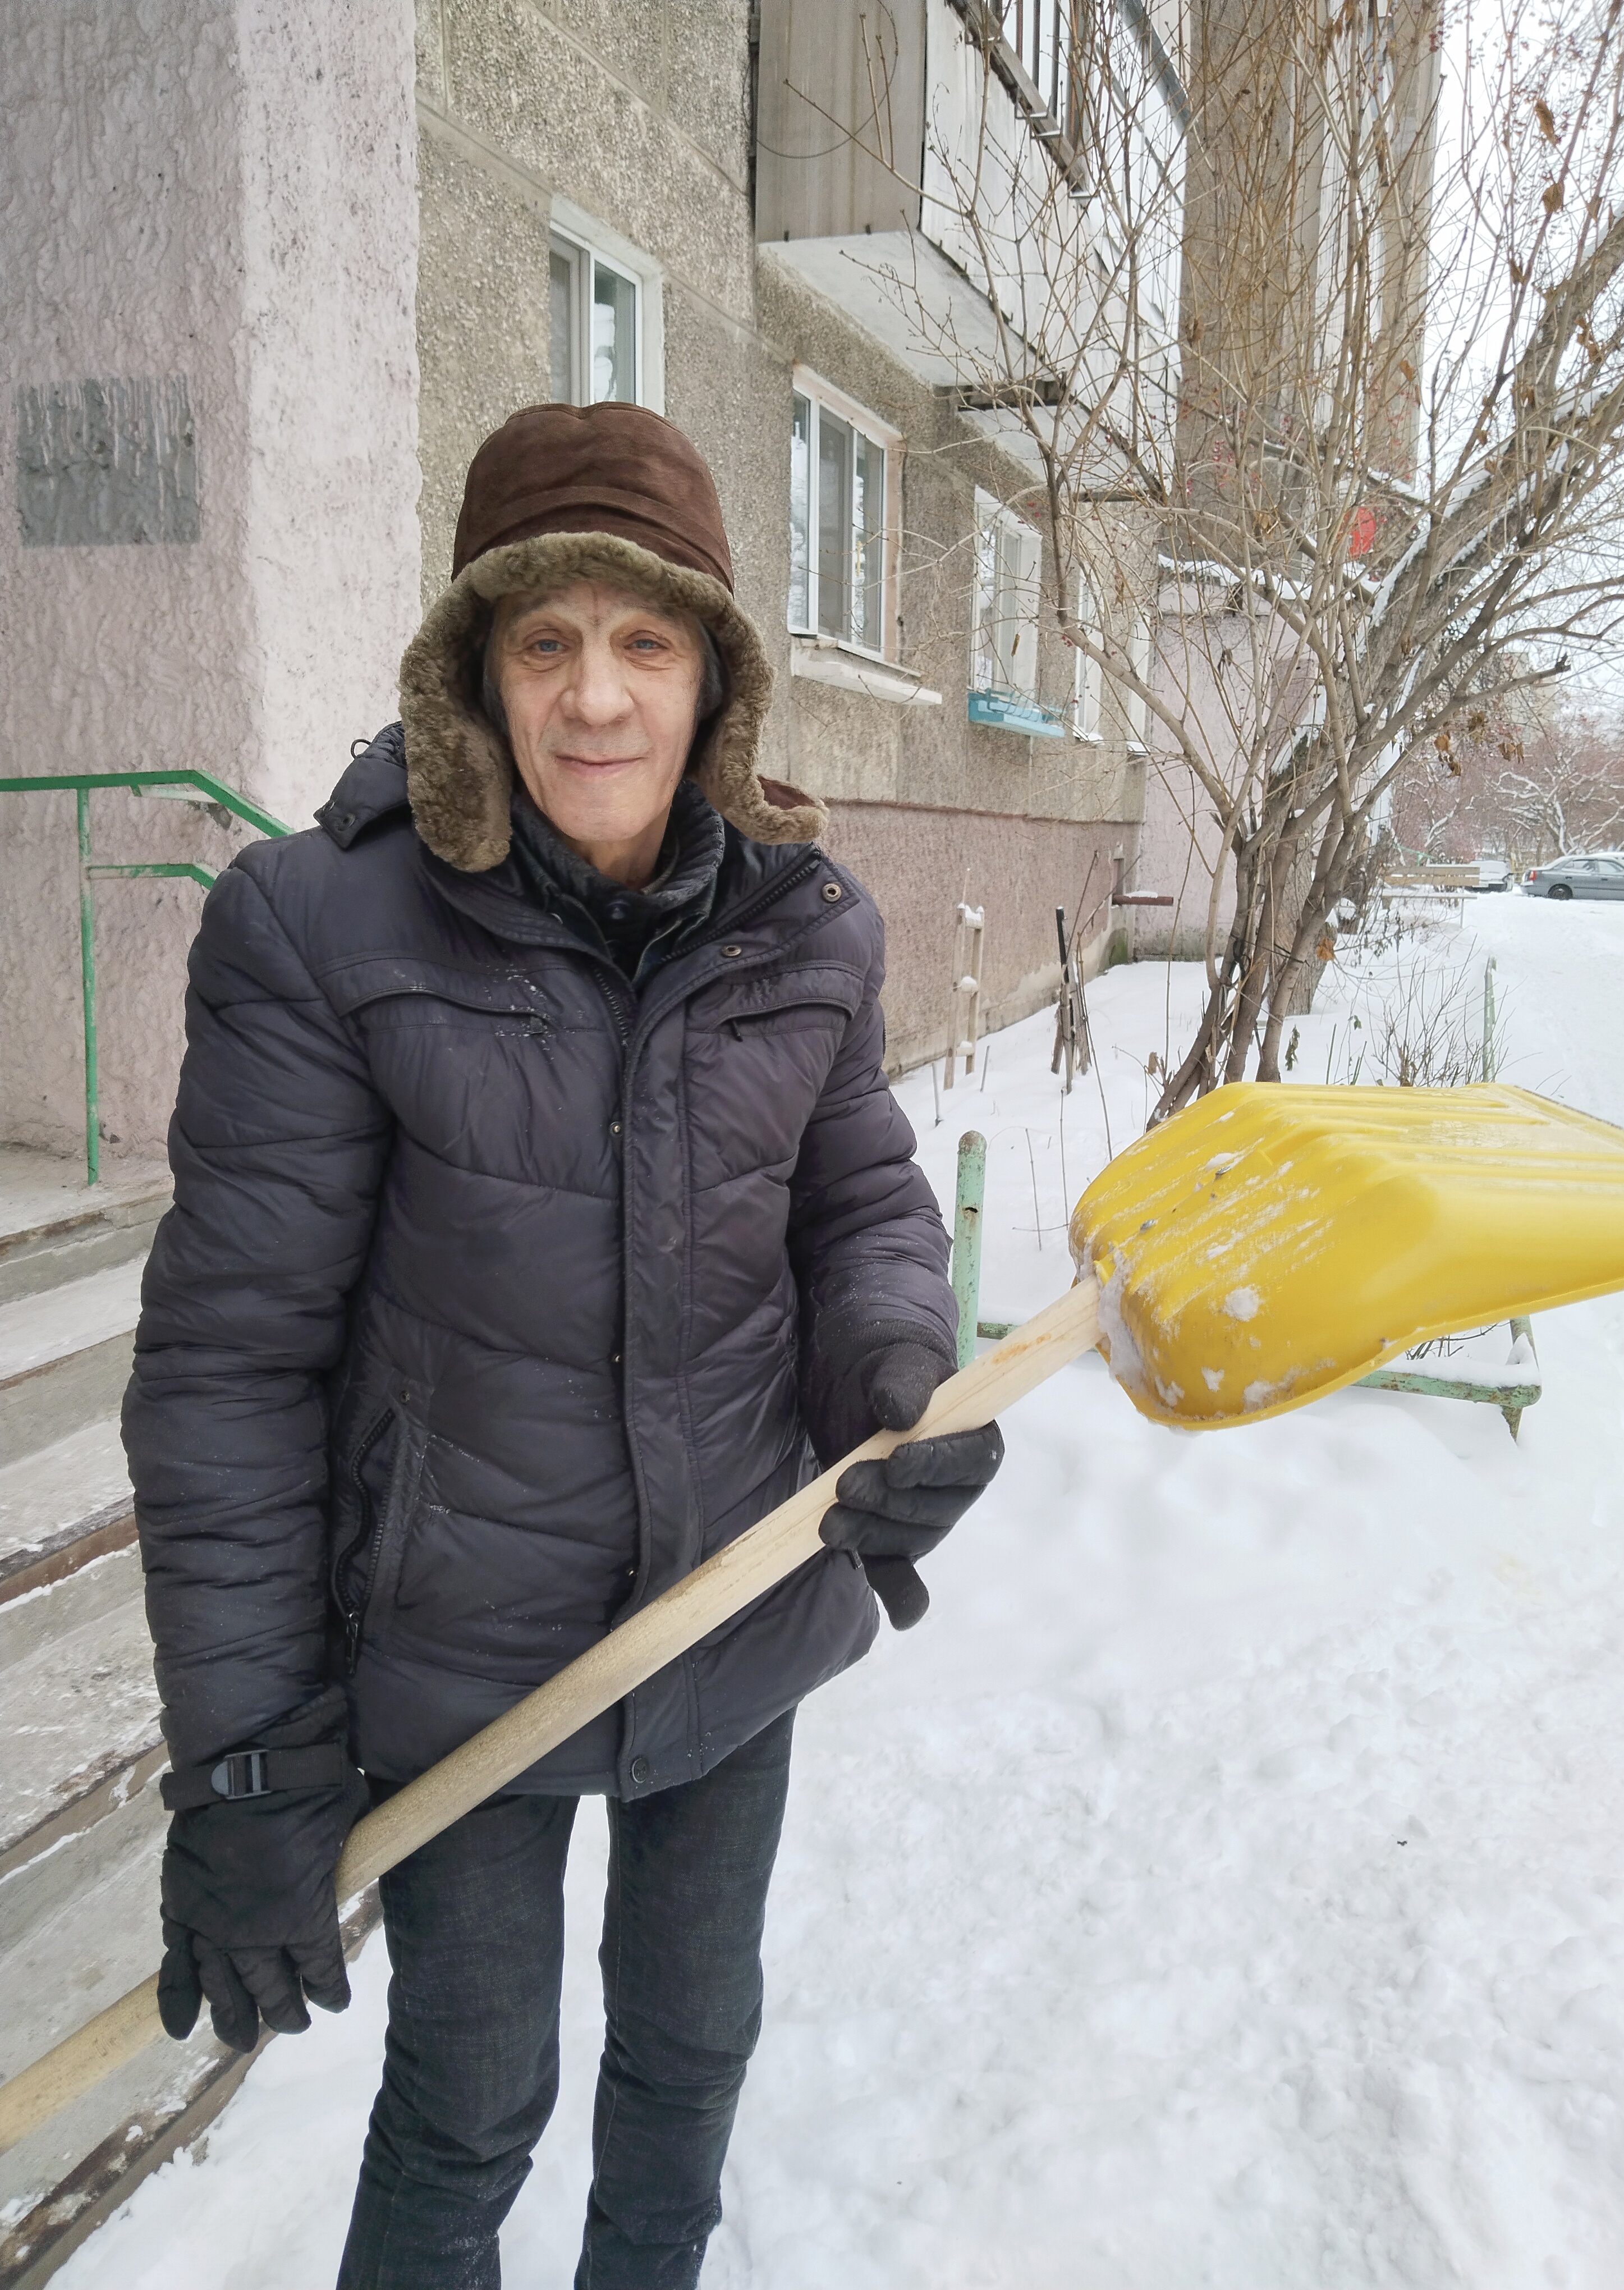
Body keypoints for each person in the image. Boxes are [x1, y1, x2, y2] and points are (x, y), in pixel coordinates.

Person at [123, 403, 1004, 2289]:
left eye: (647, 643)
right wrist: (252, 1765)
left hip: (731, 1608)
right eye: (545, 643)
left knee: (689, 2068)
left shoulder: (806, 929)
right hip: (464, 1657)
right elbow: (231, 1369)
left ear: (717, 682)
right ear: (474, 676)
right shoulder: (319, 925)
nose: (597, 701)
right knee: (469, 2111)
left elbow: (856, 1205)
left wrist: (900, 1378)